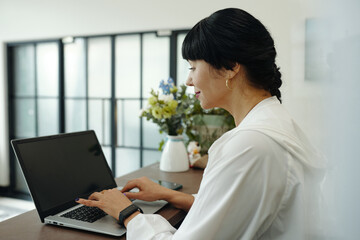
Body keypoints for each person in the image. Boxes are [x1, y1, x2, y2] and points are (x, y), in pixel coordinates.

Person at [77, 8, 325, 239]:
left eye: (193, 67)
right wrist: (170, 195)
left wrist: (126, 213)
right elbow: (234, 205)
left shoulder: (250, 145)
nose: (188, 80)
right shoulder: (275, 124)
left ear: (230, 67)